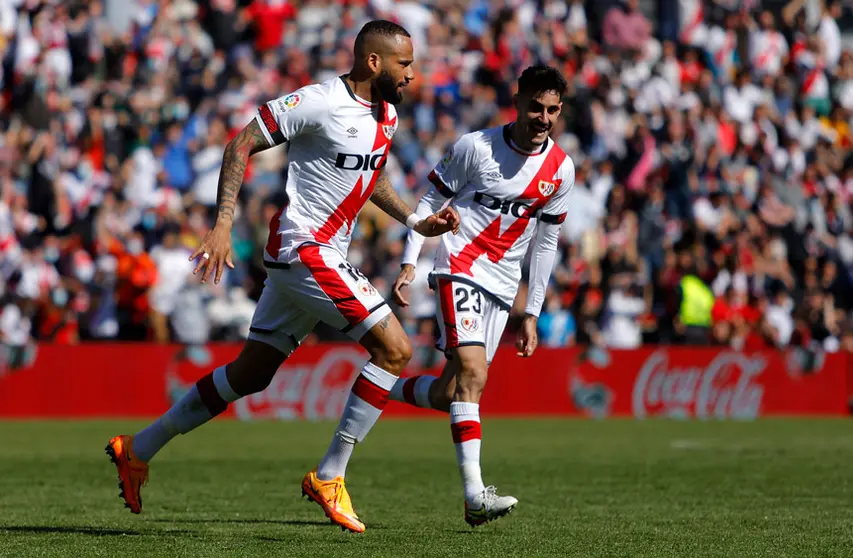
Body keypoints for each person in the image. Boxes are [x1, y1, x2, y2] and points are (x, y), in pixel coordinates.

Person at [105, 20, 461, 533]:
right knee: (395, 350)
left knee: (252, 374)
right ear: (374, 62)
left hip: (318, 255)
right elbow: (240, 144)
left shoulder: (387, 115)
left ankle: (137, 449)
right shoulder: (319, 100)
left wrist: (413, 221)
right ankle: (330, 474)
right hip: (303, 248)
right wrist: (223, 223)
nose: (413, 73)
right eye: (405, 63)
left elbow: (372, 174)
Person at [389, 66, 574, 526]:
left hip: (503, 285)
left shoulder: (561, 170)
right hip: (459, 267)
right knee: (474, 373)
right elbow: (431, 202)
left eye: (552, 110)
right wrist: (411, 260)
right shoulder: (477, 147)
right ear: (517, 101)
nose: (543, 117)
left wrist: (531, 312)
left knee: (450, 391)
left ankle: (377, 387)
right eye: (536, 106)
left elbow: (545, 243)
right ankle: (475, 496)